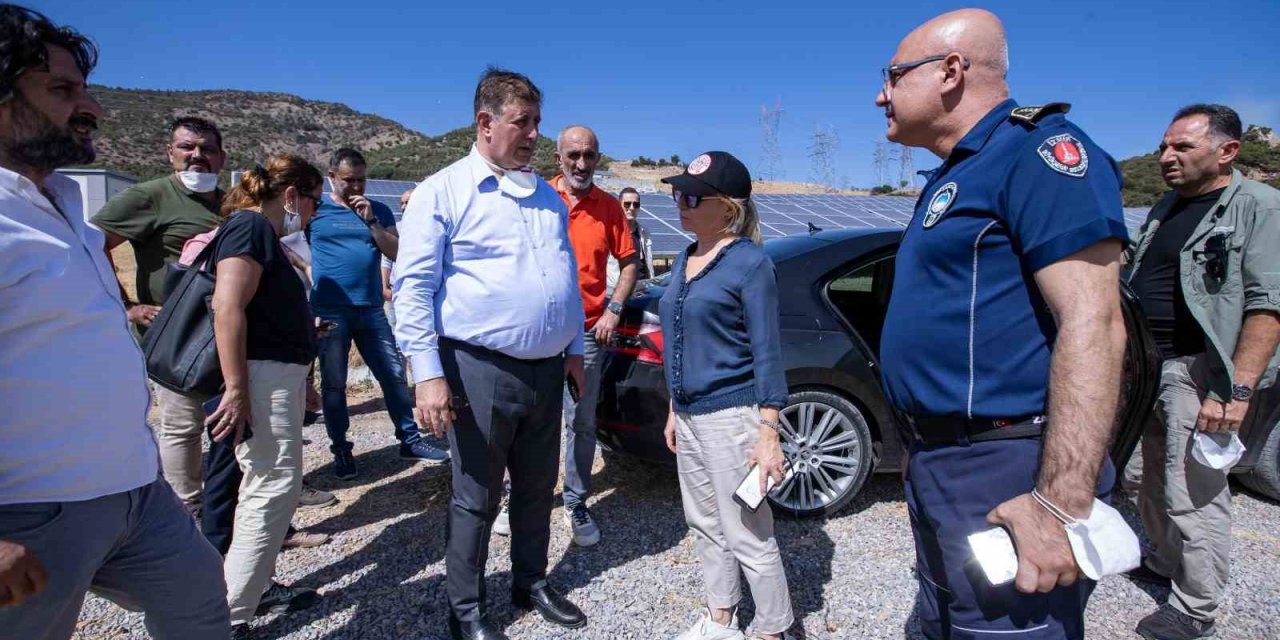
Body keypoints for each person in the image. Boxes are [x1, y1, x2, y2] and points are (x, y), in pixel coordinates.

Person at [874, 10, 1130, 639]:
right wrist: (921, 442)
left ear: (950, 72)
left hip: (1008, 466)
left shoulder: (1037, 153)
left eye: (894, 76)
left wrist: (1058, 503)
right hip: (945, 459)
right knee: (944, 620)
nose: (881, 95)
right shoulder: (963, 169)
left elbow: (1095, 323)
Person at [0, 5, 229, 638]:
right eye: (61, 90)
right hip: (31, 511)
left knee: (197, 598)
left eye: (85, 89)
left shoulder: (63, 203)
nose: (92, 108)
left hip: (135, 489)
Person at [395, 67, 587, 640]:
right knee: (477, 495)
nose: (534, 135)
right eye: (522, 122)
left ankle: (530, 581)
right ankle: (466, 610)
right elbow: (413, 288)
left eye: (537, 122)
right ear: (485, 122)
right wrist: (427, 375)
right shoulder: (443, 191)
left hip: (546, 369)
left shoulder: (547, 198)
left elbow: (565, 279)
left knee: (536, 486)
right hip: (478, 368)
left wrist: (574, 348)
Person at [1126, 104, 1280, 640]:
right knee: (1142, 477)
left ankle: (1196, 606)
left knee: (1193, 490)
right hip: (1149, 368)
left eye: (1182, 147)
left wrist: (1236, 390)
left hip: (1201, 372)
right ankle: (1167, 561)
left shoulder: (1259, 206)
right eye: (1163, 147)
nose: (1166, 157)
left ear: (1227, 151)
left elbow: (1268, 305)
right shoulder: (1166, 207)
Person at [658, 151, 794, 640]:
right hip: (690, 416)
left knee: (747, 531)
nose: (681, 203)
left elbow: (767, 353)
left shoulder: (750, 264)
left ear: (729, 207)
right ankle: (721, 617)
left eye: (694, 198)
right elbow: (681, 339)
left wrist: (768, 434)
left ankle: (772, 629)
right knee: (703, 523)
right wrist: (674, 408)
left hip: (732, 416)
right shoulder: (685, 257)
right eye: (679, 194)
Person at [208, 155, 325, 638]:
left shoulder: (265, 236)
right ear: (292, 195)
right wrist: (237, 389)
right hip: (260, 377)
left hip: (276, 374)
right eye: (315, 201)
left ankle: (248, 592)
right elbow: (227, 307)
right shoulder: (251, 228)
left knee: (268, 486)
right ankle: (229, 618)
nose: (314, 213)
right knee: (272, 486)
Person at [91, 114, 225, 516]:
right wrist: (127, 306)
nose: (197, 155)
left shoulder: (230, 201)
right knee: (183, 425)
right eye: (187, 147)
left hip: (227, 330)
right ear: (170, 153)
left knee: (234, 416)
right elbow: (92, 245)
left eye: (207, 149)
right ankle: (189, 508)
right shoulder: (149, 196)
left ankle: (239, 500)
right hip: (177, 336)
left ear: (221, 157)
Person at [312, 148, 447, 480]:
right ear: (332, 177)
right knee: (334, 384)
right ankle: (341, 449)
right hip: (330, 310)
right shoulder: (315, 210)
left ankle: (409, 440)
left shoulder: (379, 210)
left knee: (393, 375)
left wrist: (371, 221)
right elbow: (284, 240)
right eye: (349, 180)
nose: (357, 187)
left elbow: (398, 252)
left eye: (361, 180)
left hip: (371, 309)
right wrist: (304, 268)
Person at [550, 124, 638, 546]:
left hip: (586, 333)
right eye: (574, 155)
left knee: (580, 422)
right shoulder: (537, 198)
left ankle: (576, 501)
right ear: (559, 159)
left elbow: (630, 264)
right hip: (537, 333)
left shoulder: (609, 208)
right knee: (528, 421)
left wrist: (613, 311)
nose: (581, 163)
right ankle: (519, 497)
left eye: (589, 155)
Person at [607, 187, 654, 290]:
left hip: (642, 290)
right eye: (627, 204)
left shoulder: (644, 233)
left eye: (636, 205)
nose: (632, 208)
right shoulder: (609, 233)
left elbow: (647, 264)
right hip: (617, 292)